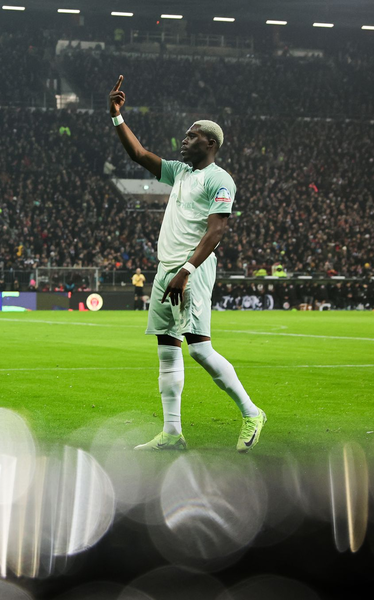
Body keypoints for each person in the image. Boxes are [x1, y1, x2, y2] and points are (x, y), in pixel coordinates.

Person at [108, 74, 266, 453]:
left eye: (192, 136)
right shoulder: (180, 172)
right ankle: (172, 433)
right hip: (167, 269)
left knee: (198, 348)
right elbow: (139, 154)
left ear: (210, 144)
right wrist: (116, 116)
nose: (184, 140)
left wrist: (187, 270)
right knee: (167, 349)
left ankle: (252, 412)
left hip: (192, 268)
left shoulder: (219, 179)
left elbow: (217, 230)